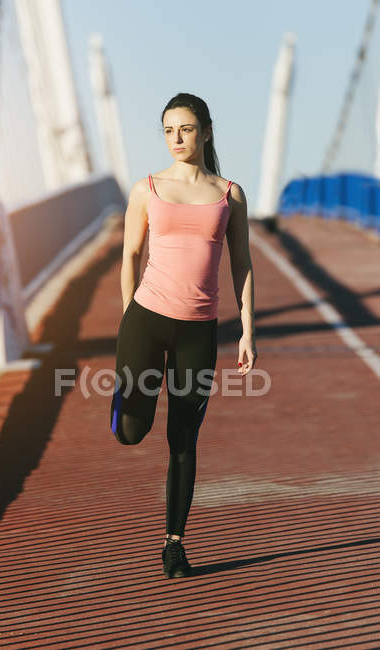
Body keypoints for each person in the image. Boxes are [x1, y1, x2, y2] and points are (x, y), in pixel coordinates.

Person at [110, 92, 257, 578]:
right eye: (169, 130)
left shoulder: (229, 194)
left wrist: (247, 330)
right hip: (146, 321)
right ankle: (124, 408)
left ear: (206, 132)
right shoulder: (146, 188)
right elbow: (131, 254)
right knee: (133, 433)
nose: (177, 139)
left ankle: (174, 542)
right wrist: (129, 314)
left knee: (184, 437)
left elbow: (243, 264)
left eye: (187, 129)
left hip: (199, 330)